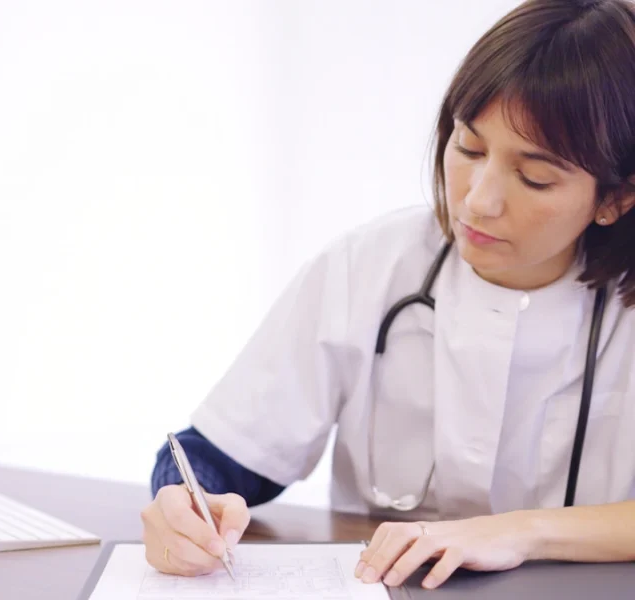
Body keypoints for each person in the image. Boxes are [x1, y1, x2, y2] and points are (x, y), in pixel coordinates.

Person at [140, 0, 635, 590]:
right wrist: (182, 506)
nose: (478, 200)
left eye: (534, 177)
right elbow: (223, 454)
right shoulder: (369, 263)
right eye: (469, 148)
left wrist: (517, 531)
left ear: (615, 199)